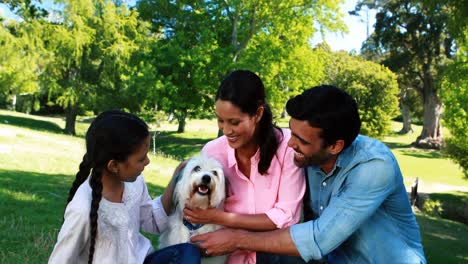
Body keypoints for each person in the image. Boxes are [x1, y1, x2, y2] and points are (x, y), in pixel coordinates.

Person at [191, 85, 426, 263]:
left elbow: (319, 238)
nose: (290, 144)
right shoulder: (310, 157)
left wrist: (236, 239)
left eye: (301, 140)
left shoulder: (374, 167)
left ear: (335, 146)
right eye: (291, 133)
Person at [181, 70, 306, 263]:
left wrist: (220, 218)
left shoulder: (287, 145)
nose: (226, 130)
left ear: (258, 113)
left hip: (274, 255)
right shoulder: (213, 151)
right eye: (220, 120)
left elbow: (286, 217)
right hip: (224, 256)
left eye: (234, 122)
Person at [48, 110, 200, 264]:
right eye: (141, 159)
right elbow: (60, 259)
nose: (147, 162)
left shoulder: (135, 183)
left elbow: (153, 222)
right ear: (114, 165)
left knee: (188, 253)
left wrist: (176, 178)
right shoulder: (82, 209)